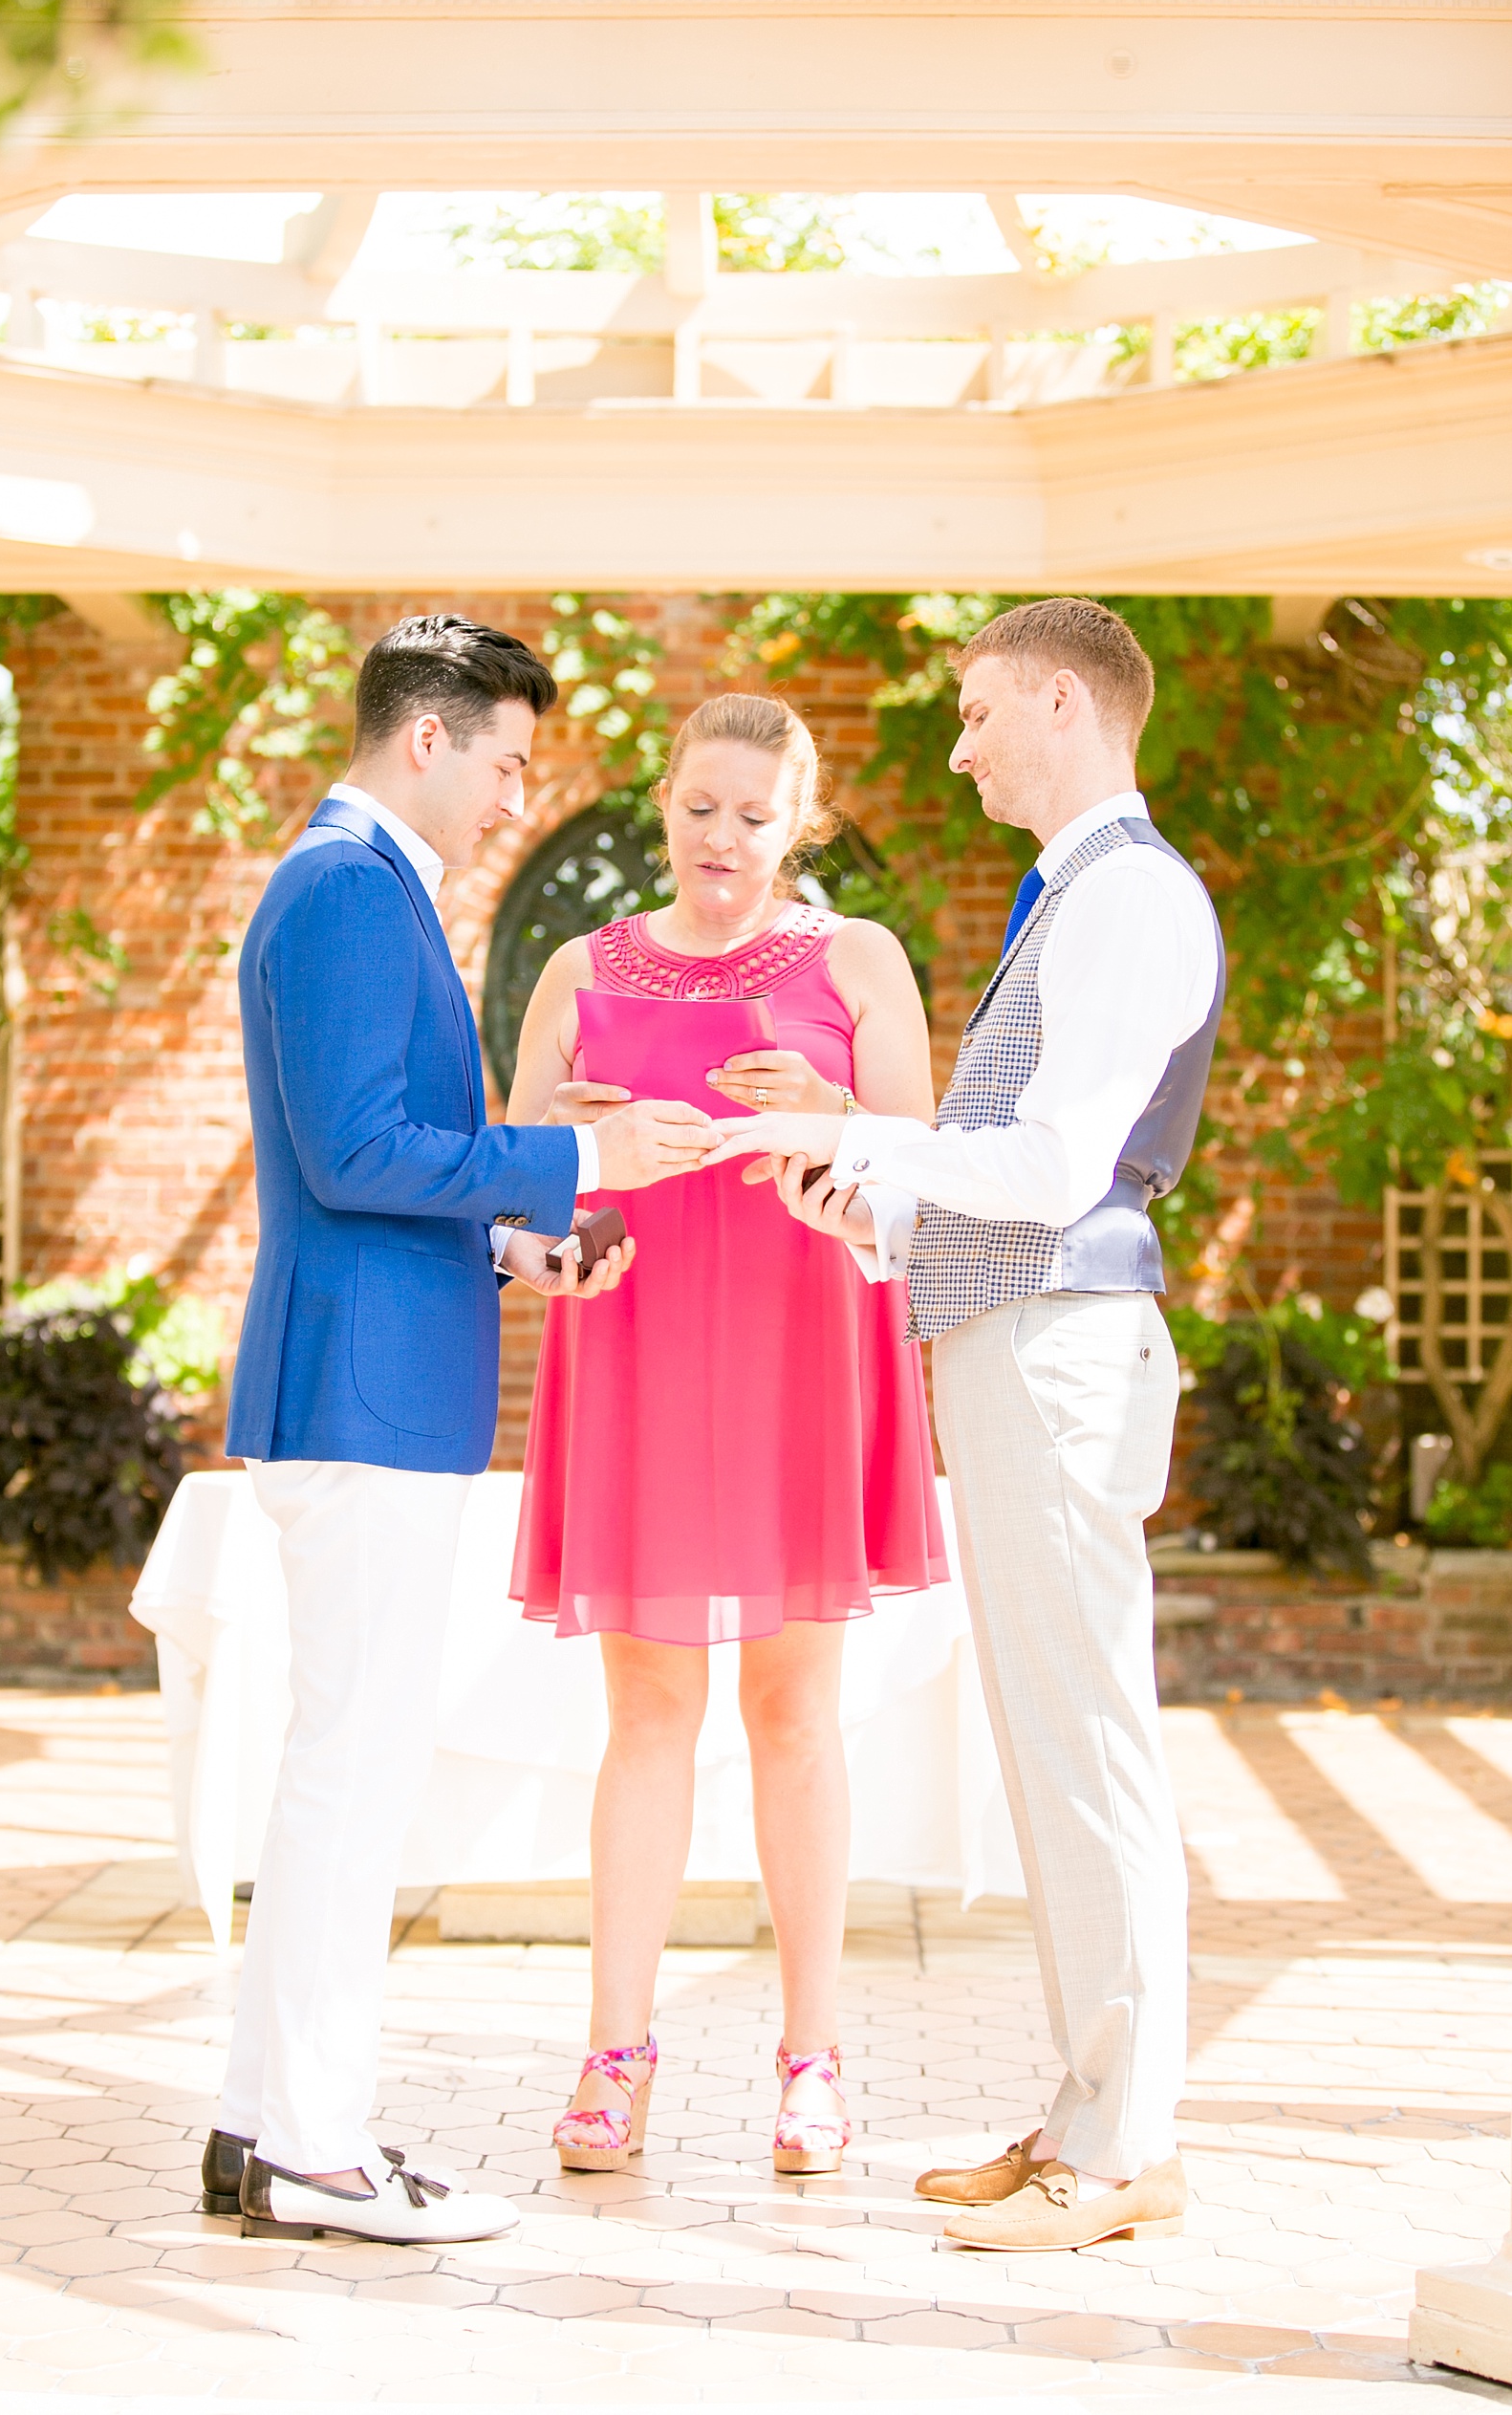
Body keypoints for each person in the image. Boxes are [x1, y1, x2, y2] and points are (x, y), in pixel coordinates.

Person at [205, 614, 722, 2247]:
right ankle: (313, 2143)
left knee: (336, 1772)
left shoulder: (350, 888)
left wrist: (516, 1239)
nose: (514, 799)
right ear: (426, 738)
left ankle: (262, 2124)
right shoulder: (354, 890)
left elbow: (365, 1164)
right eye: (505, 763)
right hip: (364, 1396)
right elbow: (359, 1150)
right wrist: (577, 1165)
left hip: (364, 1372)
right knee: (352, 1782)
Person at [714, 600, 1223, 2252]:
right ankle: (1092, 2108)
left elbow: (1062, 1168)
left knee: (1087, 1749)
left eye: (980, 710)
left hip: (1062, 1356)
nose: (960, 743)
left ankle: (1126, 2136)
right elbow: (1000, 1178)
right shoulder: (1075, 895)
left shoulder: (1130, 897)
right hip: (1017, 1337)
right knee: (1052, 1749)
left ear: (1062, 700)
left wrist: (873, 1130)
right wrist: (858, 1201)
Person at [506, 693, 947, 2177]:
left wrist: (831, 1109)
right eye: (703, 807)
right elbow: (514, 1198)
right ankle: (612, 2053)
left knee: (792, 1711)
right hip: (633, 1333)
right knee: (644, 1713)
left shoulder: (861, 961)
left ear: (798, 822)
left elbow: (922, 1188)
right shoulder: (577, 966)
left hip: (801, 1349)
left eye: (757, 815)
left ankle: (811, 2060)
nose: (724, 839)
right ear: (667, 800)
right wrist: (561, 1182)